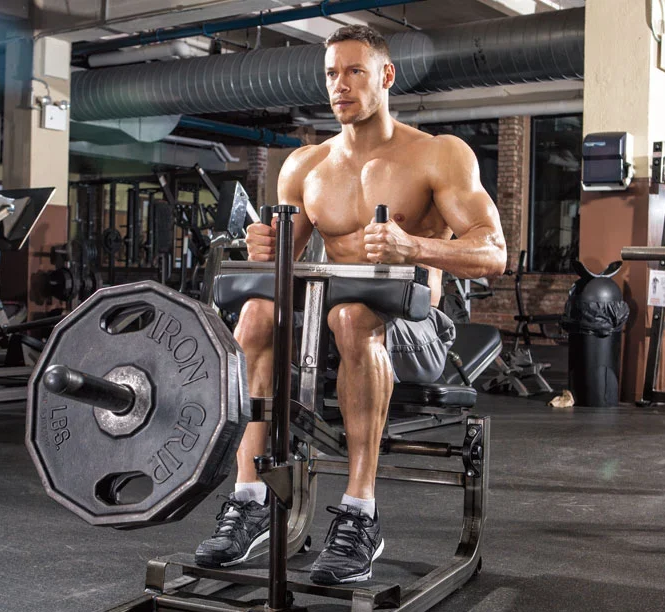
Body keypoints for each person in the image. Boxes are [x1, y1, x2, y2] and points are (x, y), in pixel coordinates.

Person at [194, 25, 507, 585]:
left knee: (353, 314)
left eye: (354, 71)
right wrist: (262, 249)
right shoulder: (305, 167)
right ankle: (250, 500)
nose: (340, 85)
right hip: (325, 329)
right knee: (257, 313)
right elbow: (278, 276)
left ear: (386, 76)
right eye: (331, 74)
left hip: (414, 328)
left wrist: (414, 247)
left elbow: (494, 251)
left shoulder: (437, 156)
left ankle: (361, 513)